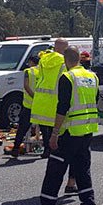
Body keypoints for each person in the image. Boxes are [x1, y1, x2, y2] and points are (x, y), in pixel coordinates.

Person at [24, 46, 100, 205]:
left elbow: (62, 108)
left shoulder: (67, 77)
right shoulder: (92, 76)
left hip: (69, 132)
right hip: (87, 131)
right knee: (82, 169)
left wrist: (54, 134)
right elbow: (95, 101)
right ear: (79, 59)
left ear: (66, 60)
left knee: (54, 171)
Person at [30, 39, 78, 193]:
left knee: (55, 151)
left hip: (44, 110)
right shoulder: (64, 63)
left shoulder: (43, 60)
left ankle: (52, 188)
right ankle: (71, 183)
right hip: (61, 112)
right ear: (65, 52)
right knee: (73, 151)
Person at [9, 55, 40, 157]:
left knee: (22, 128)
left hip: (29, 104)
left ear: (31, 62)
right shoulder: (43, 71)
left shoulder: (28, 71)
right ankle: (47, 150)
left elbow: (26, 86)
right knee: (44, 128)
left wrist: (33, 97)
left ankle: (16, 148)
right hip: (41, 104)